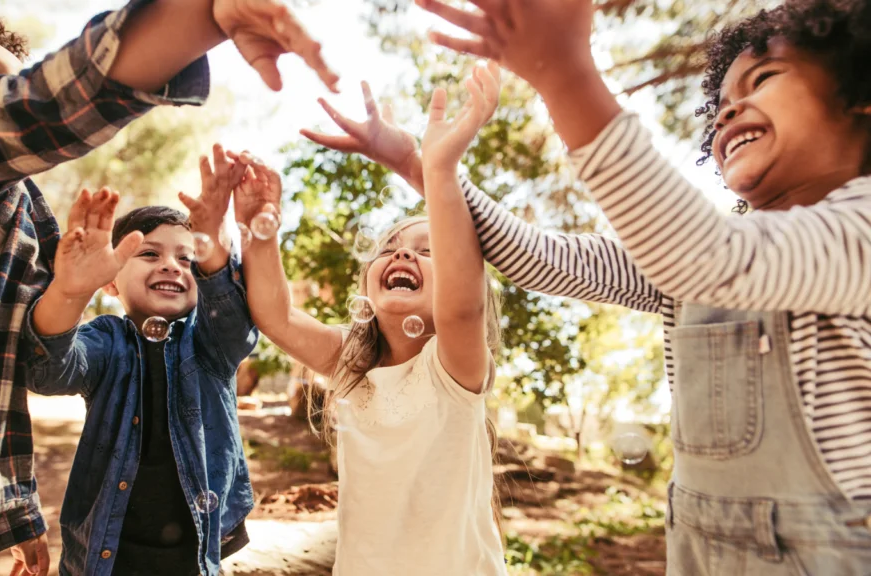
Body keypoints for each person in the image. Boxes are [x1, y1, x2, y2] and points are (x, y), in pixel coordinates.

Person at [309, 0, 871, 572]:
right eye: (720, 105)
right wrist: (426, 166)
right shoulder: (691, 258)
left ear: (860, 96)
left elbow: (712, 258)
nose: (727, 114)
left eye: (765, 79)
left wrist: (566, 74)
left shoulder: (861, 228)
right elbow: (543, 258)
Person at [0, 0, 336, 573]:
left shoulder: (28, 220)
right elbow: (28, 114)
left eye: (15, 73)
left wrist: (19, 516)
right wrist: (191, 21)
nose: (9, 85)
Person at [234, 65, 507, 575]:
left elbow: (462, 305)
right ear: (368, 281)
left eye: (429, 252)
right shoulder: (349, 362)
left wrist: (437, 167)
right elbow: (276, 315)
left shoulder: (454, 367)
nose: (403, 257)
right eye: (390, 249)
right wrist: (259, 229)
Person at [21, 145, 256, 576]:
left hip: (195, 557)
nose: (172, 266)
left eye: (188, 259)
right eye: (149, 254)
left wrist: (215, 248)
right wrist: (69, 292)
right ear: (110, 280)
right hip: (106, 556)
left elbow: (236, 324)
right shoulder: (106, 340)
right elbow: (48, 371)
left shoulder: (209, 342)